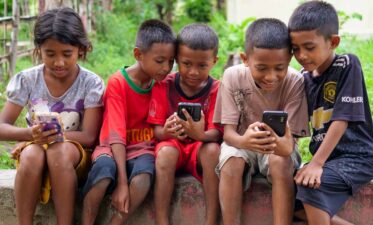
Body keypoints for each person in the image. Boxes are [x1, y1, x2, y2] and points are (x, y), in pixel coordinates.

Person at [0, 7, 104, 225]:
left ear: (80, 49)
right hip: (35, 146)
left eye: (67, 54)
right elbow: (2, 126)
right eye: (50, 54)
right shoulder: (28, 80)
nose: (59, 62)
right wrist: (30, 133)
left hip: (74, 152)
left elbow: (89, 136)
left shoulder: (90, 83)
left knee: (58, 151)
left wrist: (57, 137)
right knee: (30, 155)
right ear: (39, 50)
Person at [288, 1, 373, 225]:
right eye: (295, 49)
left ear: (333, 42)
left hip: (356, 158)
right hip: (328, 161)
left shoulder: (347, 65)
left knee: (310, 187)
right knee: (286, 195)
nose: (301, 55)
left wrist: (316, 164)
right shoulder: (303, 78)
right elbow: (296, 125)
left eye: (309, 47)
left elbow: (342, 119)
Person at [213, 18, 310, 225]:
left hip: (278, 146)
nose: (271, 76)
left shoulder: (295, 81)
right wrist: (244, 142)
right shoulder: (232, 76)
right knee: (231, 161)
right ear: (245, 59)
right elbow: (228, 134)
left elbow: (288, 145)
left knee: (280, 161)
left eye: (279, 68)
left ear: (290, 59)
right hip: (240, 142)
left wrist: (278, 145)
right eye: (262, 68)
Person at [81, 19, 176, 225]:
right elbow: (115, 134)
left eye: (171, 61)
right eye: (160, 61)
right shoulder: (119, 82)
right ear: (138, 54)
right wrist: (122, 184)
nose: (166, 68)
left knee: (143, 178)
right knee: (103, 174)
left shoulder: (161, 83)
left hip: (143, 149)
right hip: (111, 146)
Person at [147, 23, 221, 225]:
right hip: (174, 144)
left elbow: (216, 133)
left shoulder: (216, 89)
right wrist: (167, 131)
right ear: (176, 59)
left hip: (200, 147)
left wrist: (201, 135)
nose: (193, 72)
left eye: (202, 65)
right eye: (186, 64)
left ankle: (211, 220)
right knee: (165, 154)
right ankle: (162, 220)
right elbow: (157, 131)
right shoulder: (164, 85)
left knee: (213, 150)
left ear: (214, 61)